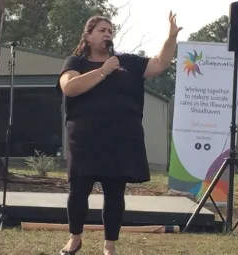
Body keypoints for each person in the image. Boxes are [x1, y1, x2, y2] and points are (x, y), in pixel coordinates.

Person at [56, 11, 182, 255]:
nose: (107, 34)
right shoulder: (76, 63)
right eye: (101, 30)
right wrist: (103, 71)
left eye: (110, 31)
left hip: (121, 138)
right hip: (85, 139)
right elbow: (69, 88)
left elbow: (159, 64)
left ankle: (109, 245)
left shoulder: (127, 62)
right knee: (78, 190)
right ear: (89, 36)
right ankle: (75, 239)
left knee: (115, 193)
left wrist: (171, 38)